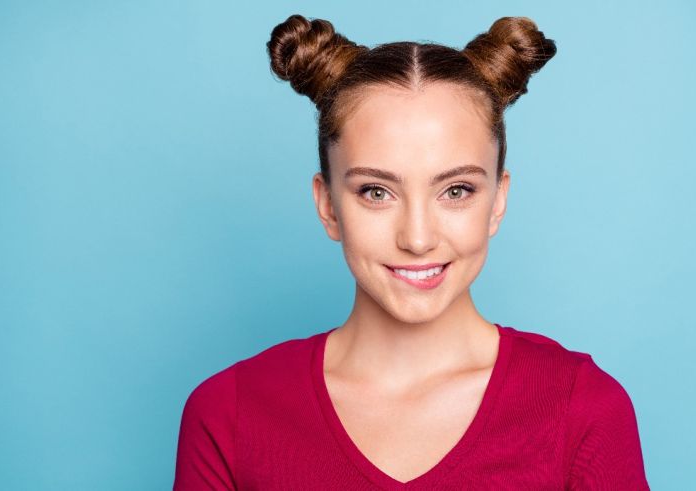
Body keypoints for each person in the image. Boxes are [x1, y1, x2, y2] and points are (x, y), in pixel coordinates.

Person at [173, 14, 649, 490]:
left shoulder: (581, 409)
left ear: (497, 201)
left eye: (457, 190)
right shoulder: (229, 413)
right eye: (376, 192)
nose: (418, 239)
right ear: (328, 205)